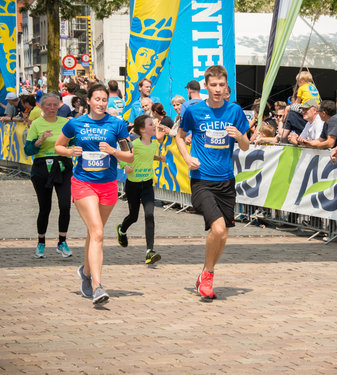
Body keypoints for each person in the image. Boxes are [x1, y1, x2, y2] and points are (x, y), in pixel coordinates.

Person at [55, 84, 134, 305]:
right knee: (98, 231)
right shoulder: (75, 123)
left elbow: (129, 156)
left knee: (94, 233)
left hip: (108, 185)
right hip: (83, 184)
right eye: (97, 99)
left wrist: (114, 152)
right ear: (88, 100)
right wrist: (71, 151)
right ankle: (98, 286)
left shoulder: (117, 124)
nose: (101, 103)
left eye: (104, 100)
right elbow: (58, 146)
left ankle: (86, 273)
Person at [176, 65, 250, 300]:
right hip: (201, 180)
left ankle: (205, 274)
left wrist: (239, 136)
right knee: (217, 228)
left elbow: (246, 145)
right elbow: (179, 136)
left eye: (221, 85)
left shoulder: (235, 111)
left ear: (226, 87)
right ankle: (207, 275)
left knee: (224, 234)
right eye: (213, 85)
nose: (218, 89)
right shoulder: (194, 112)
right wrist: (187, 157)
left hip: (226, 180)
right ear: (206, 86)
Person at [24, 93, 73, 259]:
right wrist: (40, 140)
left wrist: (71, 148)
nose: (52, 108)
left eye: (55, 105)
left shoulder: (66, 123)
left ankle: (62, 242)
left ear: (59, 105)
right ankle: (41, 242)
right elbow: (28, 150)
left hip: (63, 166)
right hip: (42, 167)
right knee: (45, 207)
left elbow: (74, 143)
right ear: (42, 107)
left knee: (65, 205)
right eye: (48, 105)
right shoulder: (36, 124)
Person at [116, 115, 166, 264]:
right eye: (151, 124)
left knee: (149, 215)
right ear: (143, 129)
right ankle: (122, 230)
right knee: (133, 216)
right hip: (133, 185)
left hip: (147, 185)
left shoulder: (153, 144)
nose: (154, 126)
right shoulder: (134, 145)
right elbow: (120, 156)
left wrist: (158, 158)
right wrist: (126, 166)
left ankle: (150, 251)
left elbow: (148, 155)